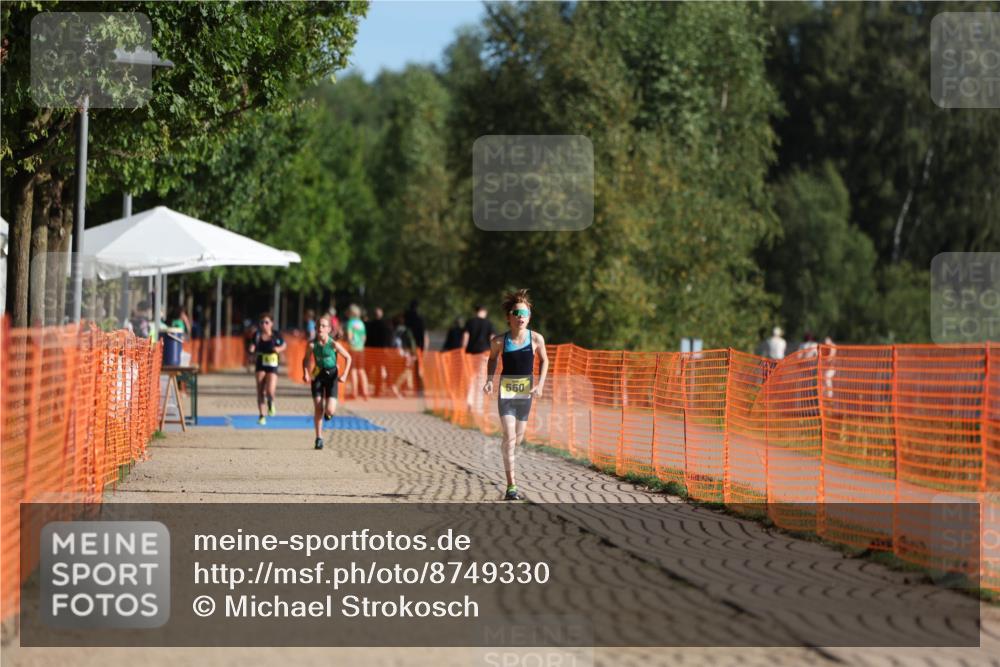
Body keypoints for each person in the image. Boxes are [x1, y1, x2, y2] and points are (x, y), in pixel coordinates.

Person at [483, 289, 548, 501]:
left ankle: (508, 448)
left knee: (518, 439)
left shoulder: (536, 339)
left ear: (529, 317)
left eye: (525, 313)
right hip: (507, 394)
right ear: (509, 317)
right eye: (517, 313)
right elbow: (492, 359)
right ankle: (511, 486)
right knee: (510, 438)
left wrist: (539, 385)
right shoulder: (499, 341)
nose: (521, 317)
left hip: (526, 393)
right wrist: (490, 381)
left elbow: (545, 361)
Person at [302, 315, 352, 450]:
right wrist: (306, 373)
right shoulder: (312, 344)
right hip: (317, 375)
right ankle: (319, 438)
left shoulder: (333, 344)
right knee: (318, 407)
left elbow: (348, 357)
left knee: (329, 409)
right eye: (318, 325)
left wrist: (345, 374)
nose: (320, 328)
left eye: (323, 326)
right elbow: (305, 360)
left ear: (329, 329)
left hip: (332, 376)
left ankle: (328, 413)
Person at [247, 312, 286, 425]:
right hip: (260, 363)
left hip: (272, 364)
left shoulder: (276, 335)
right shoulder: (257, 335)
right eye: (262, 322)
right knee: (260, 390)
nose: (264, 324)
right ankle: (261, 415)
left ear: (271, 323)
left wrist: (279, 349)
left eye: (266, 322)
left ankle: (271, 402)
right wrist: (251, 349)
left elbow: (284, 345)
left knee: (270, 391)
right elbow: (253, 345)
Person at [463, 304, 496, 414]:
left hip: (471, 354)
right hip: (484, 354)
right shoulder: (489, 323)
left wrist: (463, 350)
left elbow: (466, 337)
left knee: (471, 378)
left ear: (475, 311)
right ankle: (478, 406)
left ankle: (469, 402)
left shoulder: (470, 322)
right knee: (481, 379)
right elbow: (492, 338)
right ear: (484, 311)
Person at [344, 304, 370, 399]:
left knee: (353, 370)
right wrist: (360, 344)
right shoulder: (361, 323)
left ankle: (354, 392)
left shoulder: (350, 323)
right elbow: (364, 337)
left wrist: (349, 341)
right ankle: (365, 392)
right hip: (361, 349)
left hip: (353, 348)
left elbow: (350, 336)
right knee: (362, 370)